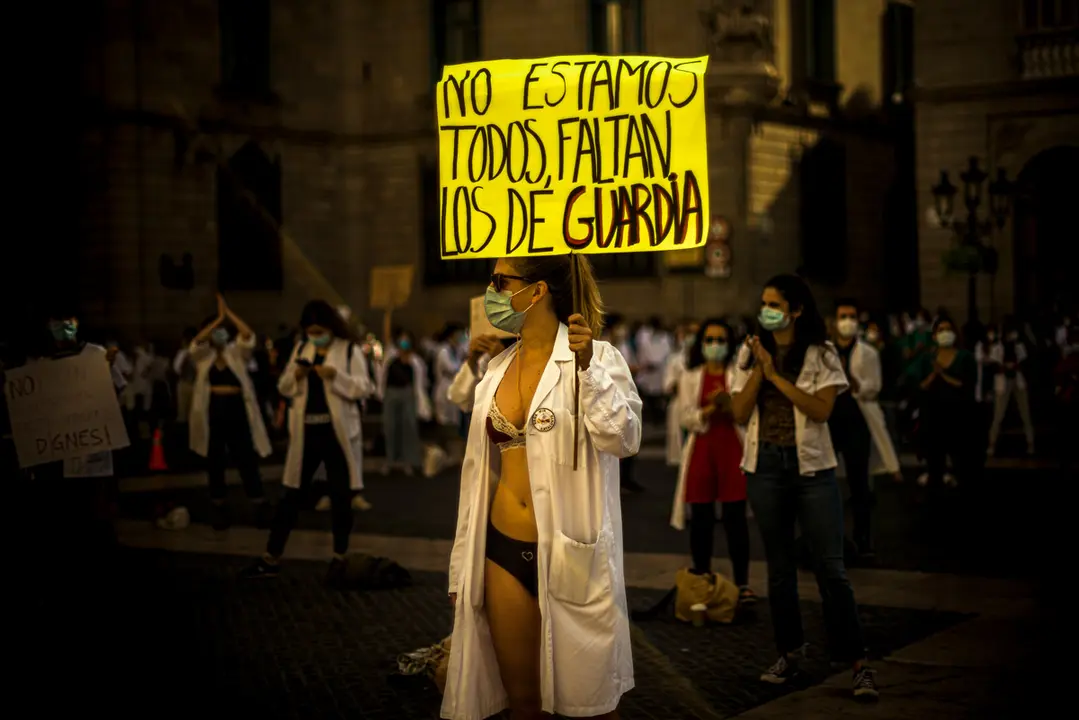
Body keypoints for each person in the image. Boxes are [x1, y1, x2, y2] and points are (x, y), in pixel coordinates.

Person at [442, 255, 640, 720]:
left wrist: (588, 370)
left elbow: (624, 438)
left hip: (573, 552)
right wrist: (460, 567)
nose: (490, 292)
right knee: (524, 705)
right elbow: (476, 477)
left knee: (592, 707)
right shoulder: (496, 368)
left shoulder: (598, 357)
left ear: (537, 291)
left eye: (499, 281)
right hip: (501, 551)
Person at [730, 274, 878, 701]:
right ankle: (789, 653)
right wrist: (760, 370)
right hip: (765, 467)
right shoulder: (750, 351)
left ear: (796, 310)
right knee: (779, 571)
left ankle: (857, 662)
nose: (766, 311)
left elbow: (821, 410)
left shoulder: (822, 353)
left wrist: (775, 375)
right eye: (764, 303)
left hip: (812, 469)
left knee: (830, 568)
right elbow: (739, 411)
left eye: (775, 305)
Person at [242, 300, 375, 584]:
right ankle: (271, 556)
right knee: (291, 494)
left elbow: (364, 387)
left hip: (337, 433)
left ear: (330, 328)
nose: (315, 336)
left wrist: (336, 376)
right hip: (306, 432)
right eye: (310, 331)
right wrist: (297, 375)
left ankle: (339, 557)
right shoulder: (302, 349)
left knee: (341, 496)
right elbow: (284, 386)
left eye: (319, 331)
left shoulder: (348, 350)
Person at [669, 319, 755, 603]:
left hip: (732, 449)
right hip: (702, 451)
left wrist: (729, 405)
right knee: (701, 519)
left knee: (735, 518)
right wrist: (708, 409)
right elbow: (686, 417)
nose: (715, 345)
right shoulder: (690, 376)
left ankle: (742, 583)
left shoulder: (739, 375)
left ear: (729, 344)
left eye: (720, 340)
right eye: (709, 340)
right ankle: (702, 579)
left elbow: (746, 412)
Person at [187, 294, 272, 530]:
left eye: (221, 330)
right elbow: (196, 343)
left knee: (246, 458)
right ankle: (219, 505)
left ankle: (258, 503)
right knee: (215, 460)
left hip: (237, 409)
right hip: (213, 410)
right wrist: (216, 321)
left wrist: (228, 315)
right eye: (215, 331)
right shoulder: (204, 356)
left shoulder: (236, 353)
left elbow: (248, 336)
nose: (218, 334)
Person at [831, 300, 901, 560]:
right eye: (842, 316)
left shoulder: (868, 352)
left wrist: (854, 382)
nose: (847, 322)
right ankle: (830, 539)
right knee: (824, 483)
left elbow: (874, 386)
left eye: (851, 316)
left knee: (859, 483)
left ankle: (863, 539)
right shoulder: (826, 351)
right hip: (831, 422)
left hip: (857, 422)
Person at [912, 317, 977, 487]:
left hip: (957, 415)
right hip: (933, 416)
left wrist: (943, 374)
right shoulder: (928, 358)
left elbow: (966, 384)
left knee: (960, 460)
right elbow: (921, 385)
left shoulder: (965, 357)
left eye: (948, 329)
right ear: (934, 335)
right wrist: (934, 374)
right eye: (941, 330)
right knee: (935, 460)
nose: (945, 333)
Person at [377, 330, 431, 475]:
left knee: (409, 427)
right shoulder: (391, 358)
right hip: (391, 393)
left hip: (408, 394)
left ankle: (409, 461)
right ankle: (390, 460)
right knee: (390, 427)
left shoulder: (415, 361)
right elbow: (382, 376)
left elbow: (421, 382)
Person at [987, 319, 1035, 456]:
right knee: (998, 414)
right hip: (1003, 382)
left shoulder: (1019, 346)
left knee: (1025, 413)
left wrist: (1015, 367)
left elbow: (1025, 363)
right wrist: (1004, 367)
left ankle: (1030, 443)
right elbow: (993, 366)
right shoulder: (997, 347)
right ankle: (992, 444)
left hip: (1018, 381)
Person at [663, 321, 698, 467]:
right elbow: (668, 386)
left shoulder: (704, 361)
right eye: (688, 333)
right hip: (680, 404)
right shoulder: (675, 360)